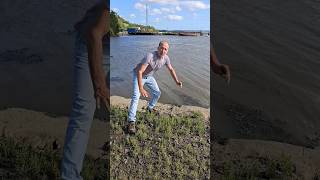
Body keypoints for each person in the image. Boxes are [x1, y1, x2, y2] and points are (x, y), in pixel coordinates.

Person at [60, 2, 110, 180]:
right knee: (83, 110)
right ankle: (69, 176)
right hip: (90, 42)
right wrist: (100, 85)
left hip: (112, 46)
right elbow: (94, 33)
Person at [127, 40, 182, 134]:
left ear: (167, 51)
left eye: (165, 49)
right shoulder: (150, 56)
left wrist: (177, 81)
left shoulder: (166, 58)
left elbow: (171, 70)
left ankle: (149, 108)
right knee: (136, 96)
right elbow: (140, 72)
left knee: (157, 93)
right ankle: (131, 121)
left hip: (149, 77)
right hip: (138, 75)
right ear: (158, 48)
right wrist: (141, 88)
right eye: (162, 48)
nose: (163, 50)